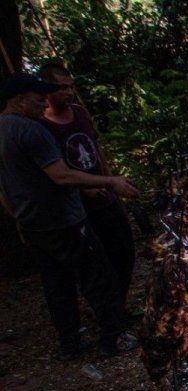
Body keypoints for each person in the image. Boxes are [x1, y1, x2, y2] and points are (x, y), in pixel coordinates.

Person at [0, 72, 139, 359]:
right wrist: (110, 181)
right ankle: (114, 337)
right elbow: (61, 175)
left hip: (33, 222)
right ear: (20, 100)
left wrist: (17, 214)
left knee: (57, 283)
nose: (44, 105)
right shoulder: (32, 131)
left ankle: (69, 343)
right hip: (64, 219)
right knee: (97, 276)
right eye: (39, 100)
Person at [38, 63, 136, 310]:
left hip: (105, 196)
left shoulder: (80, 113)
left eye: (71, 87)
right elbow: (53, 174)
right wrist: (83, 189)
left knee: (124, 251)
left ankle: (118, 304)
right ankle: (108, 313)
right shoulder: (41, 125)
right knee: (94, 263)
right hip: (76, 208)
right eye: (62, 88)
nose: (69, 92)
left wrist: (111, 182)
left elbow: (96, 150)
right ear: (47, 90)